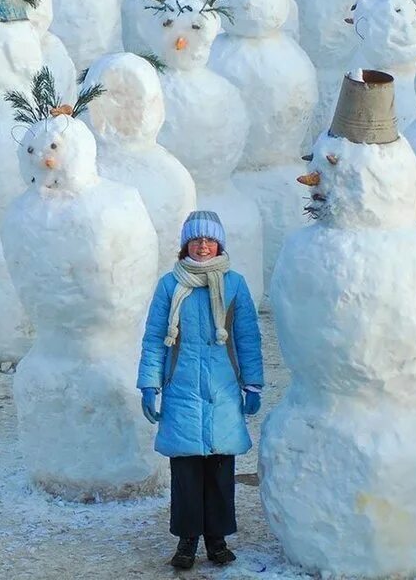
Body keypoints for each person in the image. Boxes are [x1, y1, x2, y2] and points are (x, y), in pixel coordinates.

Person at [136, 210, 264, 570]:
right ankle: (187, 540)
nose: (203, 246)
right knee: (187, 471)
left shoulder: (235, 284)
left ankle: (217, 540)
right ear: (185, 245)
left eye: (209, 239)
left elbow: (248, 339)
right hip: (183, 389)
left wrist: (251, 383)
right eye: (196, 239)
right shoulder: (169, 285)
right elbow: (154, 339)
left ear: (219, 243)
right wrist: (150, 383)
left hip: (222, 390)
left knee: (221, 467)